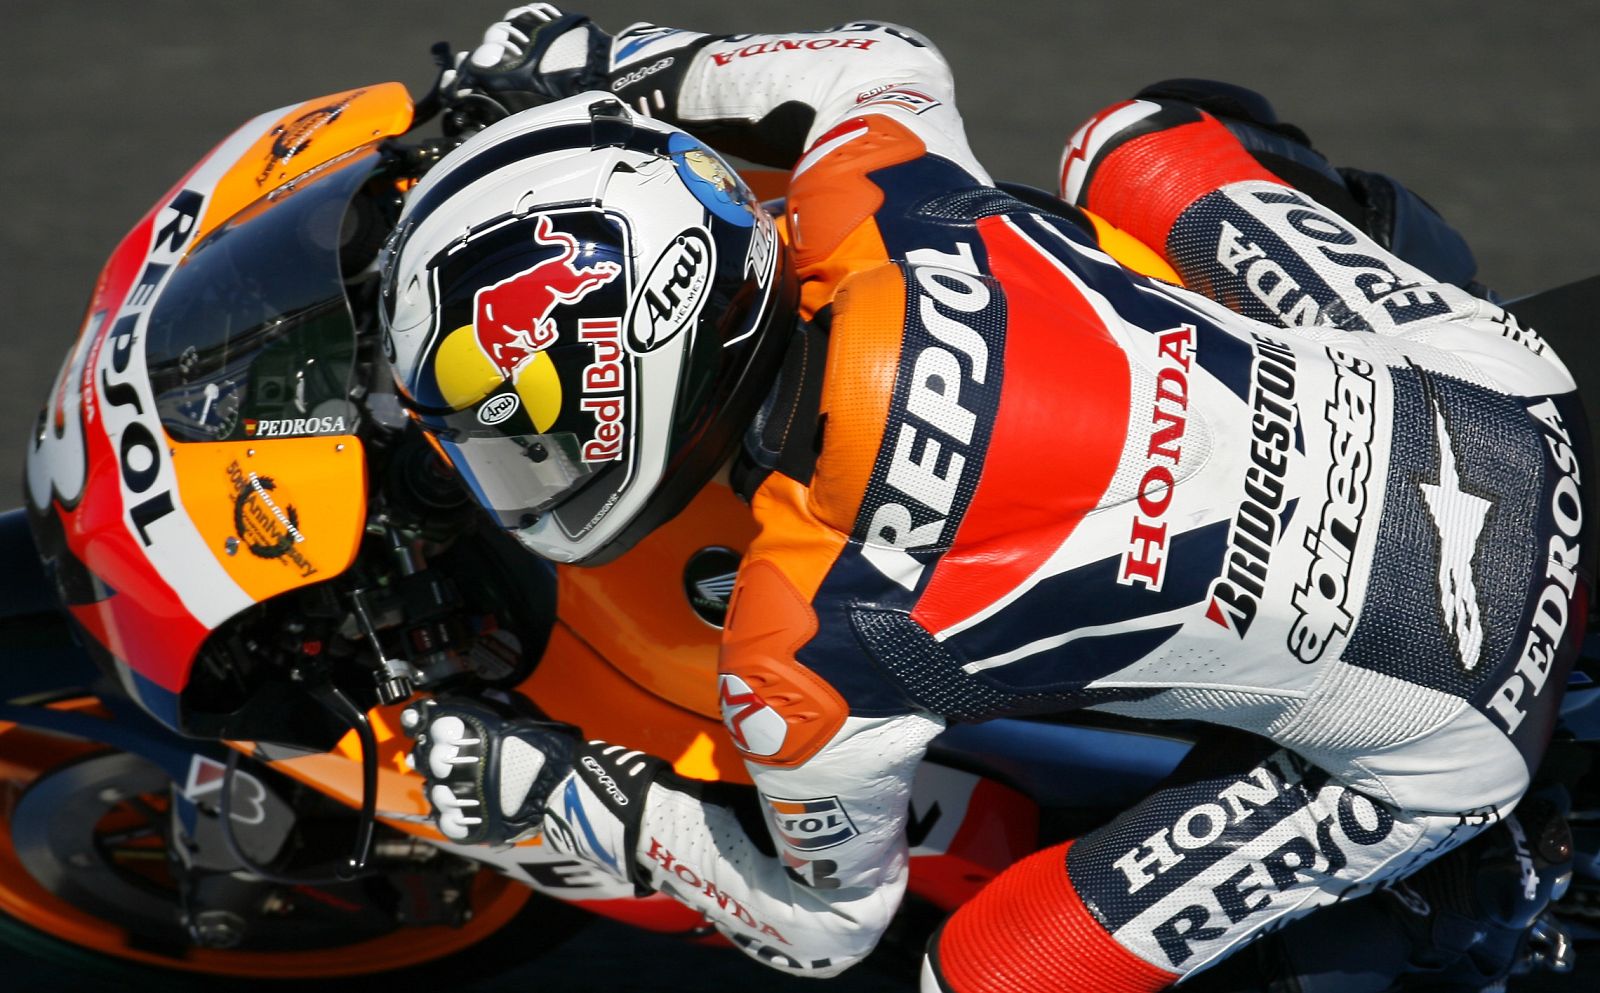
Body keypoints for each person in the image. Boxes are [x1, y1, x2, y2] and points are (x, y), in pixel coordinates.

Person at [384, 7, 1588, 990]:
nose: (521, 468)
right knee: (1139, 135)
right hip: (1508, 397)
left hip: (1454, 731)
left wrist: (567, 801)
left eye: (526, 434)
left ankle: (1459, 908)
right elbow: (878, 57)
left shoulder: (796, 643)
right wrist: (583, 63)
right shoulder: (871, 201)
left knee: (976, 976)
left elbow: (820, 929)